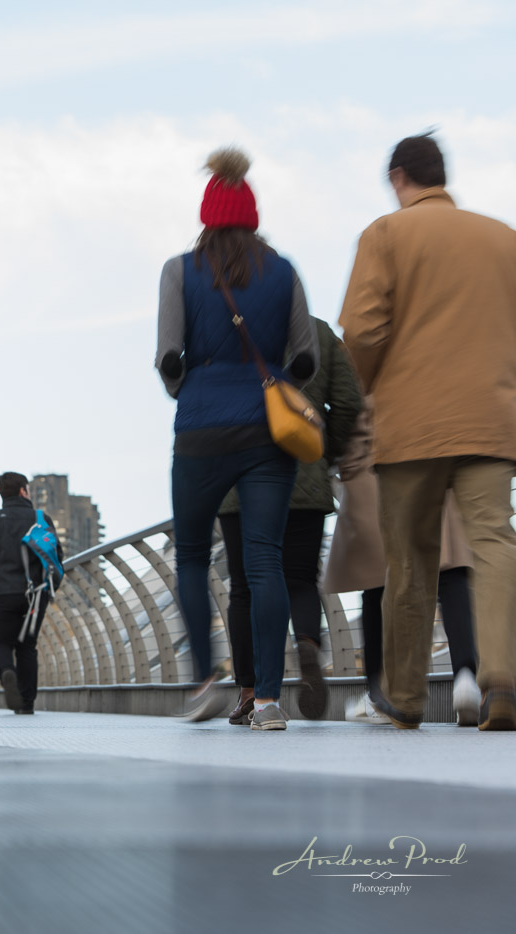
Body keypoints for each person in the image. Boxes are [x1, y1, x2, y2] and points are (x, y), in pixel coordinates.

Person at [338, 132, 516, 730]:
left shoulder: (385, 235)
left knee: (411, 558)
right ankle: (502, 683)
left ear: (398, 178)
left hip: (412, 422)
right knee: (492, 543)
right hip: (492, 418)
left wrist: (370, 392)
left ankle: (406, 697)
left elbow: (361, 331)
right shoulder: (502, 238)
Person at [156, 148, 318, 730]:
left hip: (200, 429)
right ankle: (270, 700)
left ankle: (205, 680)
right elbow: (305, 357)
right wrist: (273, 383)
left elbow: (167, 355)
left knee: (194, 557)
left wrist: (190, 387)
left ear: (207, 214)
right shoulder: (284, 271)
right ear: (251, 214)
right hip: (265, 434)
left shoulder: (179, 270)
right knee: (265, 561)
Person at [216, 318, 362, 725]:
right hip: (304, 473)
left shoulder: (219, 330)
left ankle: (250, 691)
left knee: (244, 587)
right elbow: (349, 402)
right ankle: (308, 643)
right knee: (298, 576)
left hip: (238, 481)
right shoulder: (318, 333)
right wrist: (320, 452)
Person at [323, 401, 479, 724]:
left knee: (376, 579)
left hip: (371, 458)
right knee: (449, 570)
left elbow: (344, 398)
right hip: (429, 445)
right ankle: (467, 677)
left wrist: (343, 461)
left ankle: (380, 694)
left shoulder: (354, 353)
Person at [0, 471, 59, 715]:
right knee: (27, 647)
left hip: (1, 593)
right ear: (23, 491)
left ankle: (6, 672)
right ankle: (27, 703)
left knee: (2, 643)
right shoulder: (41, 518)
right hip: (35, 593)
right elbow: (57, 556)